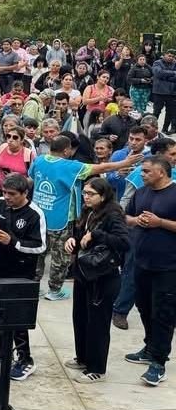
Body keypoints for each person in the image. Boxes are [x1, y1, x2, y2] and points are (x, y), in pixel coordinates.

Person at [29, 135, 140, 301]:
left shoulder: (39, 160)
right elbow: (101, 168)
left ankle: (33, 286)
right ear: (66, 150)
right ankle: (54, 290)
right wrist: (124, 163)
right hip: (60, 219)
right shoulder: (70, 166)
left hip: (38, 216)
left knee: (38, 252)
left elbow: (31, 177)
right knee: (60, 256)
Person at [62, 177, 130, 383]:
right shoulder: (88, 211)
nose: (86, 197)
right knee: (80, 317)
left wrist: (96, 235)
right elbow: (82, 235)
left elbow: (123, 242)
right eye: (84, 193)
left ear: (103, 195)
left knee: (97, 323)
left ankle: (97, 368)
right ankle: (83, 357)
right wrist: (73, 240)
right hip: (84, 272)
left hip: (103, 276)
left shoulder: (113, 214)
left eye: (91, 194)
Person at [0, 173, 47, 381]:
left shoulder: (34, 214)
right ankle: (3, 352)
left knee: (18, 319)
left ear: (25, 193)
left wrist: (12, 242)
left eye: (12, 194)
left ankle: (25, 359)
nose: (7, 197)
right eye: (4, 192)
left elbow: (40, 246)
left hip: (20, 273)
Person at [123, 155, 176, 386]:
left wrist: (160, 223)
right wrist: (136, 221)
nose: (141, 175)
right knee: (144, 307)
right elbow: (125, 216)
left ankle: (158, 362)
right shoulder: (141, 192)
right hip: (141, 262)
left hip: (168, 266)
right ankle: (150, 346)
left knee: (163, 313)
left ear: (161, 172)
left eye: (145, 171)